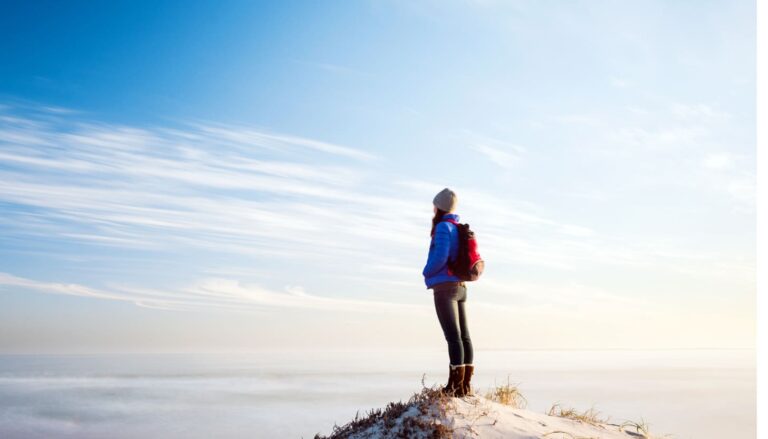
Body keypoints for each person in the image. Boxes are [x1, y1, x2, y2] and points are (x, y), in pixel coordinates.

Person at [422, 187, 474, 397]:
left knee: (453, 337)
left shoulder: (443, 227)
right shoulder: (456, 226)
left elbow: (440, 257)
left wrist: (426, 271)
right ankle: (464, 386)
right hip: (460, 287)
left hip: (445, 288)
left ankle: (454, 387)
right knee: (464, 337)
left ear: (440, 207)